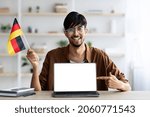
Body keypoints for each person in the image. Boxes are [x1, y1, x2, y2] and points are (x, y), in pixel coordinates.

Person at [26, 11, 131, 91]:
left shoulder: (100, 56)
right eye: (71, 29)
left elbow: (127, 86)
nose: (76, 33)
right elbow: (37, 92)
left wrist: (119, 84)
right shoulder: (52, 56)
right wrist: (35, 67)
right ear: (66, 33)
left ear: (86, 31)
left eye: (80, 28)